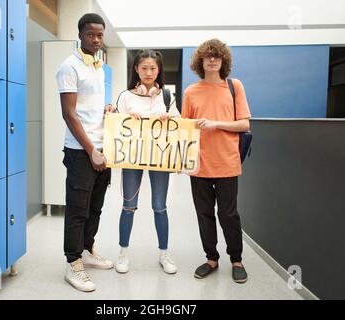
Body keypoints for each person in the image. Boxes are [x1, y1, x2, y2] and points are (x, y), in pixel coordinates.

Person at [181, 39, 251, 283]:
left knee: (228, 214)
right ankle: (211, 258)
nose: (212, 60)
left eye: (217, 56)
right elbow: (185, 129)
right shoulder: (191, 92)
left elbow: (244, 124)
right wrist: (182, 161)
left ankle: (236, 259)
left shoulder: (234, 86)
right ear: (200, 61)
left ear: (223, 60)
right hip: (199, 163)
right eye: (207, 57)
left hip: (227, 162)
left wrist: (215, 123)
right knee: (204, 214)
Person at [55, 13, 115, 293]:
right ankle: (73, 262)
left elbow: (90, 106)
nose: (96, 39)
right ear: (80, 35)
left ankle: (88, 248)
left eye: (100, 35)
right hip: (81, 151)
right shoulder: (69, 66)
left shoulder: (100, 67)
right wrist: (91, 150)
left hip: (104, 148)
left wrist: (107, 110)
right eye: (91, 34)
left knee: (96, 207)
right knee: (78, 210)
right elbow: (69, 114)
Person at [114, 50, 180, 275]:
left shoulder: (168, 97)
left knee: (160, 207)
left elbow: (179, 127)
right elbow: (115, 128)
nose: (149, 72)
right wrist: (124, 118)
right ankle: (123, 254)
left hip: (160, 159)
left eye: (153, 68)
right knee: (128, 206)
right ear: (136, 69)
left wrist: (170, 118)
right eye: (144, 68)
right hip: (132, 159)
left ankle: (164, 254)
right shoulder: (125, 97)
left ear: (159, 70)